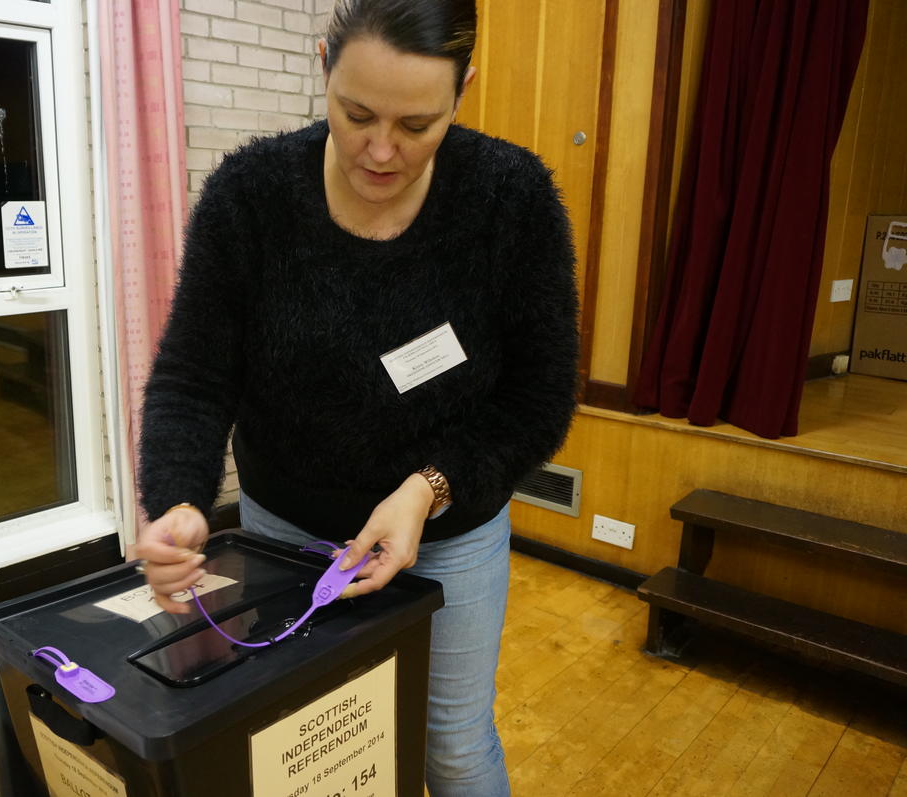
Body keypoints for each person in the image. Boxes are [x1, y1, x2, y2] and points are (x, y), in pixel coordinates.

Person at [134, 1, 578, 793]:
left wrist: (429, 488)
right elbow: (194, 377)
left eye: (417, 125)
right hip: (282, 526)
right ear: (323, 66)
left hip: (451, 536)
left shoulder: (510, 198)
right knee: (305, 737)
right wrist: (177, 500)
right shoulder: (253, 194)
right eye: (357, 113)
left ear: (463, 90)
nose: (381, 150)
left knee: (450, 743)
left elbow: (538, 398)